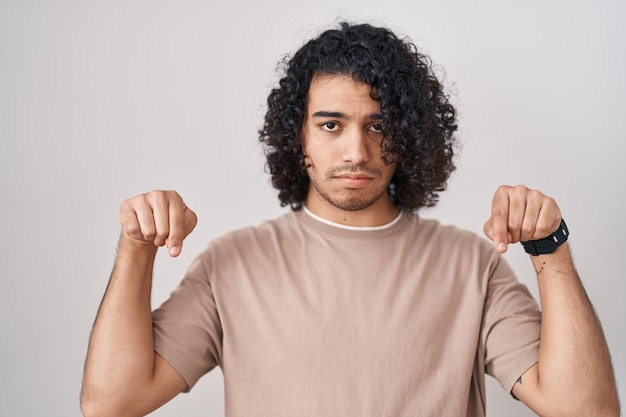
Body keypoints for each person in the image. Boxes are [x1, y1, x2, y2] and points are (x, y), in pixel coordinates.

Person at [80, 22, 619, 417]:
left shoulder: (471, 265)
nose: (357, 151)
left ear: (409, 135)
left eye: (379, 125)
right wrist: (136, 248)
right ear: (299, 137)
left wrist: (551, 247)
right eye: (332, 124)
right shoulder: (232, 264)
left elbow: (587, 410)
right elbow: (111, 402)